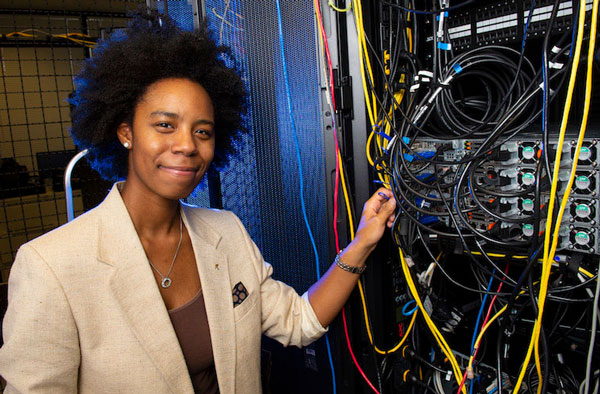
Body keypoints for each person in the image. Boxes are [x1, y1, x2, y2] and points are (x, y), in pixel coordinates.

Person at [0, 10, 396, 394]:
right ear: (125, 132)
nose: (187, 145)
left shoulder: (225, 231)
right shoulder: (51, 266)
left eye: (202, 131)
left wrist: (362, 242)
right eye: (165, 125)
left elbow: (299, 321)